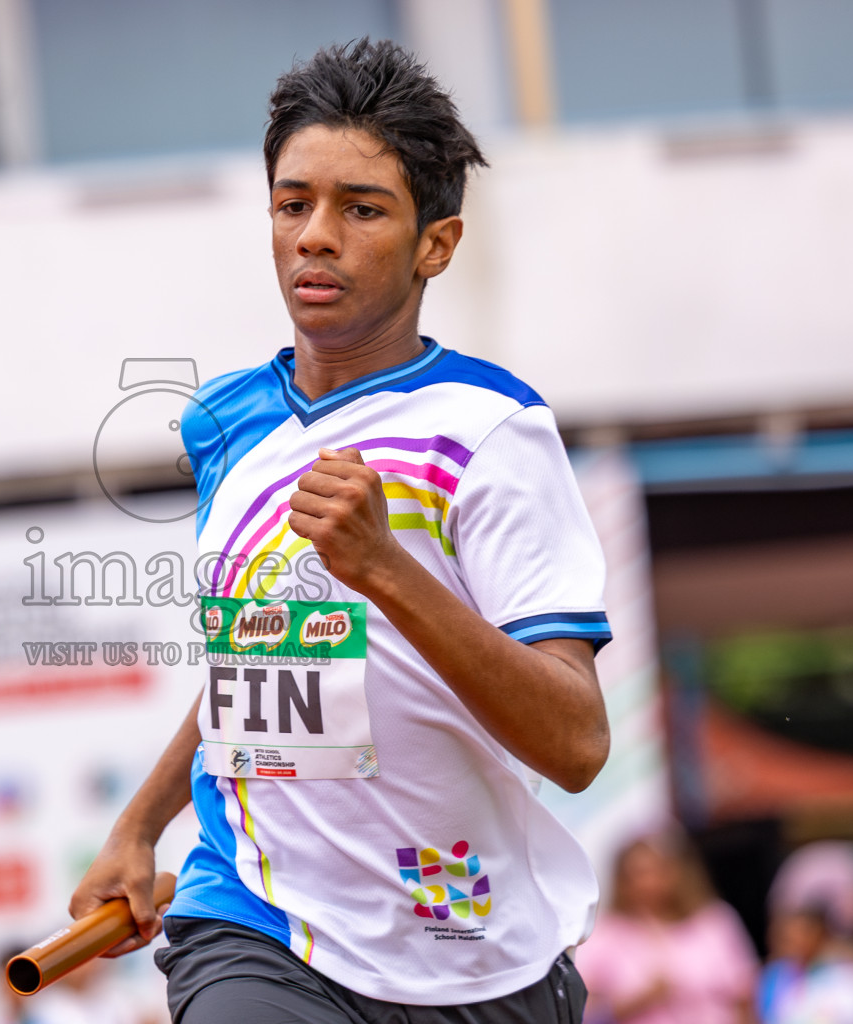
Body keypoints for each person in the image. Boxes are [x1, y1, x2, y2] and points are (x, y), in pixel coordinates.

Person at [70, 38, 614, 1024]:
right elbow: (262, 656)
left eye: (361, 208)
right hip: (257, 919)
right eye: (293, 203)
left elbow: (575, 741)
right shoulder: (224, 423)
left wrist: (387, 569)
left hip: (467, 944)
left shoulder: (491, 430)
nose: (315, 235)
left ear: (435, 244)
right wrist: (141, 825)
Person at [573, 830, 759, 1024]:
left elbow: (745, 994)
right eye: (637, 874)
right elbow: (582, 1009)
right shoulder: (606, 933)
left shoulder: (714, 921)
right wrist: (638, 1000)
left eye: (658, 870)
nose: (649, 883)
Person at [759, 904, 853, 1024]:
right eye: (787, 937)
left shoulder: (849, 974)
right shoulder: (774, 976)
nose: (794, 942)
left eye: (801, 934)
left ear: (820, 934)